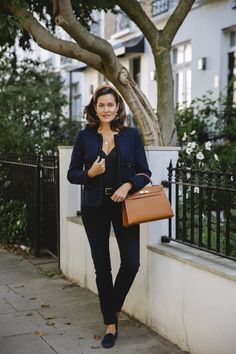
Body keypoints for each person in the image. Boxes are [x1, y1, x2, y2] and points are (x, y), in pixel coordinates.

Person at [67, 83, 151, 349]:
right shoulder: (85, 137)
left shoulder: (131, 136)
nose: (105, 109)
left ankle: (112, 307)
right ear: (95, 108)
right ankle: (110, 325)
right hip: (94, 207)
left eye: (110, 105)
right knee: (102, 267)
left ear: (118, 108)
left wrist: (128, 186)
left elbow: (144, 172)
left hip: (123, 205)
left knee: (132, 263)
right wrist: (89, 174)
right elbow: (72, 174)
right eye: (101, 105)